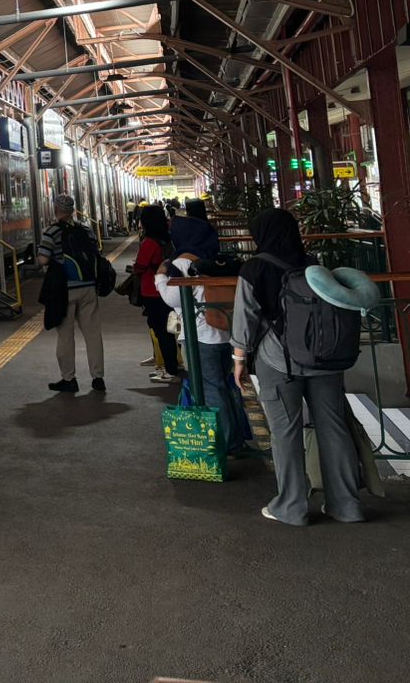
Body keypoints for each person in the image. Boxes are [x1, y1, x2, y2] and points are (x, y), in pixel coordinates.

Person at [232, 209, 364, 525]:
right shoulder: (315, 265)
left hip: (279, 363)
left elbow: (245, 320)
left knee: (285, 433)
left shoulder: (254, 269)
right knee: (333, 428)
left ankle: (291, 506)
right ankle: (347, 506)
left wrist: (238, 361)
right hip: (325, 361)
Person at [160, 249, 249, 456]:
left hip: (201, 337)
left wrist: (160, 276)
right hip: (227, 334)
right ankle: (236, 439)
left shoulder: (184, 264)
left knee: (211, 390)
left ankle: (224, 444)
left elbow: (172, 299)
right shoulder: (218, 262)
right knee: (229, 388)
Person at [37, 193, 105, 393]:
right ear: (73, 210)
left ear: (55, 209)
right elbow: (95, 253)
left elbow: (43, 260)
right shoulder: (86, 230)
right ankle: (98, 378)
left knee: (65, 335)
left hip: (64, 290)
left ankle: (69, 379)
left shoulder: (52, 231)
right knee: (93, 334)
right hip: (88, 287)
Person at [134, 205, 183, 384]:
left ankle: (170, 370)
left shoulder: (149, 242)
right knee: (172, 329)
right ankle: (175, 364)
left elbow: (140, 266)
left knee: (162, 331)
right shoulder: (167, 239)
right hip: (170, 290)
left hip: (153, 291)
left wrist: (135, 268)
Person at [170, 197, 220, 265]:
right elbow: (214, 248)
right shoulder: (207, 227)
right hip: (206, 265)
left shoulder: (180, 226)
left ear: (188, 211)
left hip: (181, 263)